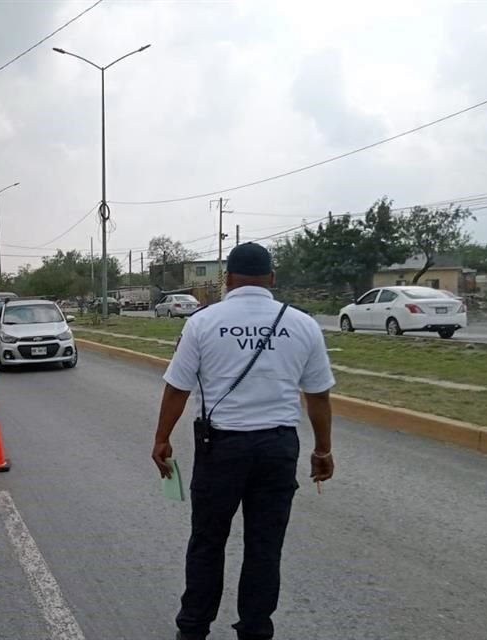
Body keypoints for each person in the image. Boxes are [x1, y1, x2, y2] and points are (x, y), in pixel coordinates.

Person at [151, 242, 336, 640]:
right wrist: (323, 449)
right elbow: (318, 395)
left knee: (207, 541)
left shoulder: (202, 322)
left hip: (221, 449)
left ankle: (193, 629)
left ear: (229, 280)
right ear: (271, 278)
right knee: (264, 547)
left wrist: (162, 439)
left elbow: (177, 389)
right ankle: (255, 631)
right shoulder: (302, 324)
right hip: (278, 448)